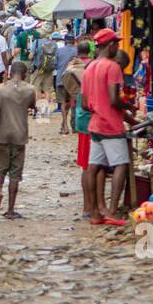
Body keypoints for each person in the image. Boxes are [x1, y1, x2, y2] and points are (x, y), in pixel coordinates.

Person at [80, 28, 130, 226]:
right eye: (116, 43)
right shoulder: (112, 67)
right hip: (111, 124)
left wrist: (96, 105)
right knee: (121, 164)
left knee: (93, 167)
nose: (117, 47)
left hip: (95, 124)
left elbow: (84, 103)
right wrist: (129, 105)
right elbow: (114, 99)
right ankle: (112, 211)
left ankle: (94, 213)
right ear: (110, 45)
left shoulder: (89, 68)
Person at [0, 61, 37, 218]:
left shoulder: (0, 89)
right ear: (24, 74)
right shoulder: (30, 90)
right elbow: (32, 106)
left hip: (1, 135)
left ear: (9, 73)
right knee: (15, 174)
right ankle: (10, 210)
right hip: (19, 136)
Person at [53, 33, 79, 134]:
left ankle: (65, 126)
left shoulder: (59, 51)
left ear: (65, 41)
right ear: (74, 41)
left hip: (61, 79)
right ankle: (75, 126)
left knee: (63, 103)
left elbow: (54, 65)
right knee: (73, 102)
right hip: (74, 80)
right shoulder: (77, 51)